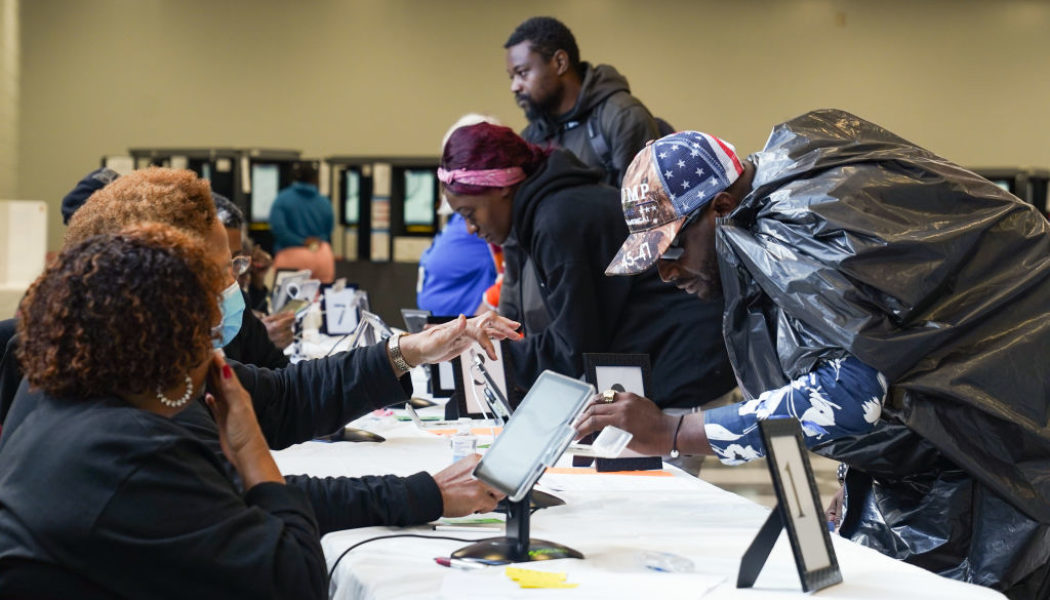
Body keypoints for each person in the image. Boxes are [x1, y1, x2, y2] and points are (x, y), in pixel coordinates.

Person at [578, 110, 1050, 597]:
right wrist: (852, 478)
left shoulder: (796, 225)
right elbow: (892, 355)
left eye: (672, 252)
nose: (666, 276)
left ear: (720, 207)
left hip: (1006, 462)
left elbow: (851, 395)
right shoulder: (794, 207)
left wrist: (674, 431)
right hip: (972, 447)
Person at [6, 167, 516, 532]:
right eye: (223, 270)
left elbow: (284, 397)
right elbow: (266, 532)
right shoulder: (131, 423)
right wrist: (423, 493)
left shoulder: (140, 370)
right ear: (167, 283)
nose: (235, 287)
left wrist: (410, 350)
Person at [0, 225, 327, 597]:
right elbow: (297, 582)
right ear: (179, 335)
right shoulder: (135, 451)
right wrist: (250, 445)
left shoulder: (58, 408)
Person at [440, 123, 734, 410]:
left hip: (685, 373)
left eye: (469, 212)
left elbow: (573, 347)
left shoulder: (558, 221)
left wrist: (482, 355)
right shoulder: (552, 209)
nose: (470, 228)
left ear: (502, 188)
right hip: (670, 367)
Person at [504, 16, 661, 187]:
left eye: (522, 73)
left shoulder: (623, 117)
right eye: (512, 77)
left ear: (560, 62)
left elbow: (645, 206)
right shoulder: (531, 136)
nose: (514, 86)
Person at [417, 114, 501, 317]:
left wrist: (476, 330)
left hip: (470, 336)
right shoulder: (459, 215)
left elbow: (510, 279)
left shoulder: (492, 216)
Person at [213, 192, 295, 360]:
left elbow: (279, 370)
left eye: (236, 262)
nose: (233, 278)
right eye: (221, 262)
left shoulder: (237, 302)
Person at [269, 161, 336, 283]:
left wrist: (301, 242)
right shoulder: (325, 203)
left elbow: (279, 229)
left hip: (291, 257)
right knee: (322, 298)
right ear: (316, 179)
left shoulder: (282, 199)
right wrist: (315, 242)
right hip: (322, 255)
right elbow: (329, 230)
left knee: (288, 299)